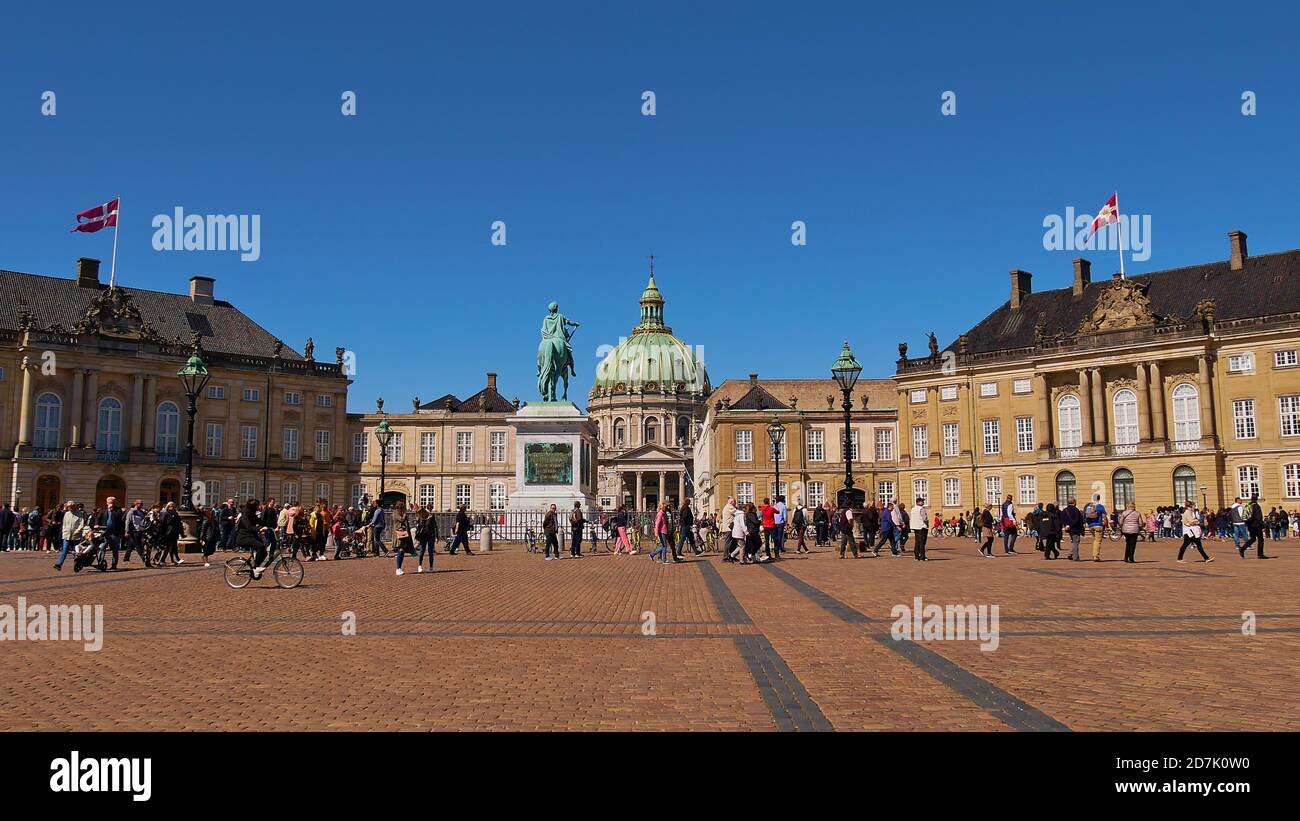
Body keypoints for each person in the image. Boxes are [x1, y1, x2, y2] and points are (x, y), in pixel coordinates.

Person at [236, 499, 270, 578]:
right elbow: (248, 527)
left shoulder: (251, 513)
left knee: (264, 551)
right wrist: (260, 529)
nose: (258, 507)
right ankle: (256, 568)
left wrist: (270, 526)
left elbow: (259, 521)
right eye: (257, 505)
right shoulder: (245, 514)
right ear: (253, 506)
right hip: (243, 537)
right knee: (261, 547)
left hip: (250, 536)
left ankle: (256, 567)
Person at [92, 496, 127, 570]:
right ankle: (100, 563)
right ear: (107, 503)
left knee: (115, 549)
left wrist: (112, 510)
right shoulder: (103, 510)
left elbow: (120, 519)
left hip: (114, 533)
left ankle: (114, 564)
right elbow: (98, 518)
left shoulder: (118, 510)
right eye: (109, 503)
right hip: (104, 532)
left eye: (112, 503)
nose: (111, 504)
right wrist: (96, 524)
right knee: (102, 547)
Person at [54, 501, 87, 571]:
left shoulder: (79, 514)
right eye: (68, 507)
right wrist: (64, 531)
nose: (69, 508)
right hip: (67, 535)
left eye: (70, 507)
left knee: (77, 551)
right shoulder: (67, 514)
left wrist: (77, 531)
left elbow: (81, 524)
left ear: (74, 507)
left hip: (76, 535)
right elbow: (64, 523)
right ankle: (59, 564)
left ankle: (77, 564)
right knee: (64, 550)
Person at [1238, 494, 1271, 559]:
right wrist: (1263, 525)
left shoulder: (1248, 505)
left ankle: (1242, 549)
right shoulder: (1256, 506)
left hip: (1250, 525)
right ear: (1257, 499)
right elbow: (1258, 517)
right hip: (1256, 525)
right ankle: (1260, 554)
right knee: (1261, 539)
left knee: (1253, 539)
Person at [389, 500, 415, 576]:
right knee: (401, 549)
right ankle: (398, 568)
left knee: (403, 550)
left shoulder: (401, 513)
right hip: (398, 534)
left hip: (404, 533)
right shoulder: (395, 513)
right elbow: (401, 519)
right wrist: (405, 515)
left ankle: (399, 568)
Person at [1083, 493, 1107, 562]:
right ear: (1099, 499)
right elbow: (1104, 516)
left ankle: (1094, 554)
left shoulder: (1088, 506)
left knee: (1095, 540)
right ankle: (1095, 556)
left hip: (1091, 526)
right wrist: (1105, 524)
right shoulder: (1100, 506)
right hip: (1098, 525)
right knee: (1098, 541)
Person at [414, 506, 438, 572]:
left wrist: (437, 536)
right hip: (423, 536)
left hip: (431, 536)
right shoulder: (420, 518)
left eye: (421, 513)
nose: (420, 515)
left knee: (430, 552)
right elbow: (418, 527)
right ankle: (420, 565)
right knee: (422, 551)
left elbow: (435, 527)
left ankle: (431, 567)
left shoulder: (431, 517)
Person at [909, 497, 929, 561]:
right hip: (921, 527)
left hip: (915, 527)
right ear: (918, 502)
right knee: (922, 542)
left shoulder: (913, 509)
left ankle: (916, 556)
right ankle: (922, 556)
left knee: (917, 542)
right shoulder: (921, 509)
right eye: (922, 501)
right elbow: (924, 518)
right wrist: (927, 523)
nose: (923, 502)